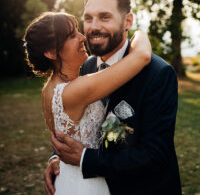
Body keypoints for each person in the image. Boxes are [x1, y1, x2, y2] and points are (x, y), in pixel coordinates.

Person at [45, 0, 182, 195]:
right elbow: (76, 122)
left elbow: (155, 155)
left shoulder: (159, 73)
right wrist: (57, 157)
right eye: (88, 18)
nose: (93, 27)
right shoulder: (87, 66)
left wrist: (84, 159)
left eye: (104, 17)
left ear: (128, 21)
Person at [23, 10, 151, 195]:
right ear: (51, 52)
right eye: (72, 36)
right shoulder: (75, 90)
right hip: (87, 185)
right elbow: (142, 56)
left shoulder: (49, 89)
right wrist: (139, 33)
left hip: (67, 179)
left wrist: (54, 159)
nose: (82, 37)